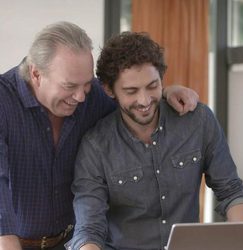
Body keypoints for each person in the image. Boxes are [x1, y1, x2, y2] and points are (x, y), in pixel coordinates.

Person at [0, 22, 199, 250]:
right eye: (70, 86)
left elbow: (133, 100)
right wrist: (6, 240)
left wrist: (166, 92)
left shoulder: (93, 96)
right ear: (36, 74)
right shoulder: (3, 100)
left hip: (71, 242)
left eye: (86, 85)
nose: (80, 97)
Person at [68, 32, 243, 250]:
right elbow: (89, 228)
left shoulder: (197, 121)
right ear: (109, 89)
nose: (144, 100)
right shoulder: (95, 146)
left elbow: (230, 191)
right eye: (131, 91)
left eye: (153, 86)